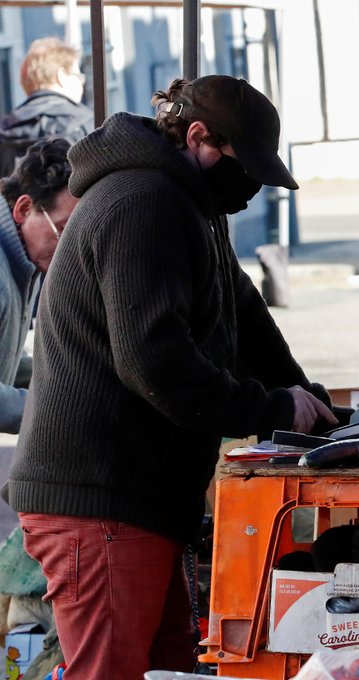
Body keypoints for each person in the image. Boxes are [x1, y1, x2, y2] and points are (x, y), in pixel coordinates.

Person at [2, 75, 337, 680]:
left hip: (139, 499)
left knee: (167, 671)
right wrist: (274, 411)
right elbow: (155, 363)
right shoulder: (143, 202)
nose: (250, 188)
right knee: (112, 672)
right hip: (100, 495)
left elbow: (243, 313)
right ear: (199, 136)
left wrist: (308, 401)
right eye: (244, 166)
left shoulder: (189, 202)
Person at [0, 138, 75, 433]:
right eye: (64, 231)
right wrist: (61, 408)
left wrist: (70, 380)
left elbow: (6, 358)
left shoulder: (24, 255)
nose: (71, 250)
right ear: (23, 208)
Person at [0, 38, 94, 176]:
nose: (81, 84)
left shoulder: (5, 129)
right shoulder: (84, 121)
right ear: (61, 75)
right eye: (78, 76)